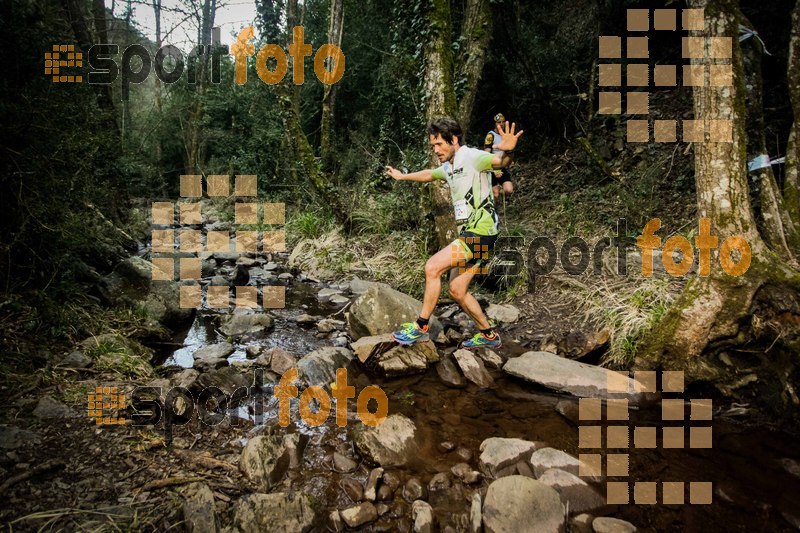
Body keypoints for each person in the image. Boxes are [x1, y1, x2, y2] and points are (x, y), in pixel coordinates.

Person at [385, 116, 522, 349]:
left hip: (481, 232)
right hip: (473, 234)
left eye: (439, 144)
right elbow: (429, 174)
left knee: (432, 267)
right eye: (433, 145)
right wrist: (402, 176)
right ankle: (488, 335)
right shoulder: (449, 167)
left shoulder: (472, 156)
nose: (436, 149)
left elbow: (499, 162)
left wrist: (508, 152)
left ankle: (420, 327)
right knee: (457, 290)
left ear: (454, 139)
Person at [484, 113, 515, 201]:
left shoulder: (506, 135)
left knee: (509, 190)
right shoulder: (491, 135)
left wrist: (510, 160)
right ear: (495, 123)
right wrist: (493, 169)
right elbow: (487, 152)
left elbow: (509, 151)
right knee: (495, 194)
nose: (501, 124)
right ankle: (494, 209)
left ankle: (502, 196)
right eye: (498, 122)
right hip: (492, 167)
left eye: (503, 122)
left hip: (502, 165)